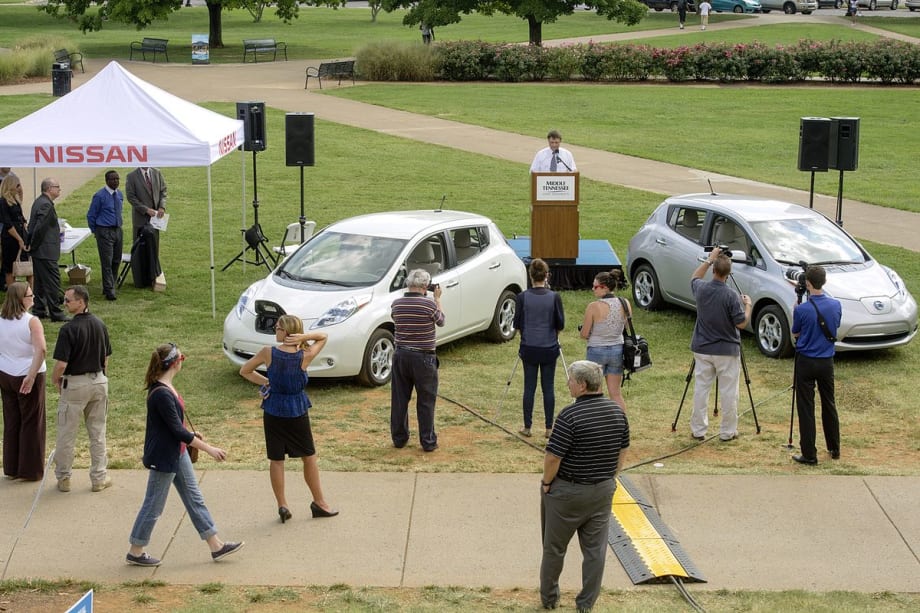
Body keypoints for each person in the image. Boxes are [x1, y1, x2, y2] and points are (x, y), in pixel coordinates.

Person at [126, 342, 244, 567]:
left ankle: (216, 545)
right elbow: (176, 430)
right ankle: (136, 550)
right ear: (174, 363)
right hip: (164, 457)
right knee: (154, 504)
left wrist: (191, 435)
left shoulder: (167, 388)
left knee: (194, 498)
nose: (183, 362)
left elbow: (173, 428)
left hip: (177, 453)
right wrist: (209, 449)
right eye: (182, 358)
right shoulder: (161, 394)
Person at [540, 360, 629, 612]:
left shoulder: (569, 415)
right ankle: (586, 603)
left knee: (554, 548)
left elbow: (553, 457)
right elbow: (624, 448)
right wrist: (612, 475)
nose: (567, 384)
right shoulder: (616, 412)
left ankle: (549, 598)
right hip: (602, 491)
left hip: (567, 493)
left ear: (581, 385)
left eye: (570, 380)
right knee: (595, 551)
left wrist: (547, 483)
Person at [239, 314, 338, 523]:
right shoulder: (305, 355)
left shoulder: (268, 353)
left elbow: (245, 370)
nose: (275, 331)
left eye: (278, 328)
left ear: (288, 333)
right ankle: (319, 502)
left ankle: (282, 505)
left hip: (273, 410)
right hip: (296, 410)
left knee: (276, 460)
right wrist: (306, 336)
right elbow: (323, 337)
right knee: (308, 457)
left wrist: (267, 382)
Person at [51, 285, 112, 493]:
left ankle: (64, 478)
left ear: (81, 302)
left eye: (68, 300)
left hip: (75, 384)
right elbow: (106, 359)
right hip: (99, 381)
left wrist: (55, 380)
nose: (65, 303)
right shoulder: (100, 324)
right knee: (97, 432)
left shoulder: (68, 329)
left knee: (67, 433)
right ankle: (99, 478)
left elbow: (61, 364)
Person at [689, 249, 752, 442]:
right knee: (729, 392)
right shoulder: (731, 295)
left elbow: (695, 277)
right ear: (728, 274)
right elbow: (741, 323)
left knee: (701, 389)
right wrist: (748, 305)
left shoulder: (702, 289)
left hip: (703, 348)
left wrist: (710, 259)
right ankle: (727, 431)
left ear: (714, 270)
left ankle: (698, 430)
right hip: (726, 350)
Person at [791, 265, 842, 465]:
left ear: (808, 283)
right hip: (826, 361)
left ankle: (809, 453)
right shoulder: (836, 305)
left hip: (806, 361)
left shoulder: (802, 309)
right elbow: (835, 326)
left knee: (806, 407)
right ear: (824, 281)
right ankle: (834, 447)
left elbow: (796, 333)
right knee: (829, 404)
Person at [390, 268, 444, 452]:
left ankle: (399, 438)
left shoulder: (396, 304)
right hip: (424, 358)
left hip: (400, 355)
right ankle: (428, 441)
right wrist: (437, 299)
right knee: (426, 401)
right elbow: (441, 320)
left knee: (399, 399)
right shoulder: (429, 305)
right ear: (425, 286)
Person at [513, 258, 564, 438]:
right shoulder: (554, 297)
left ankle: (527, 427)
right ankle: (549, 428)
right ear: (546, 275)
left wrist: (526, 337)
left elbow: (517, 324)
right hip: (549, 347)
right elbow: (560, 324)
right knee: (548, 387)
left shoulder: (522, 297)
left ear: (531, 276)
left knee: (529, 387)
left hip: (529, 347)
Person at [0, 282, 46, 481]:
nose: (33, 298)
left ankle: (11, 467)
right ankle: (29, 470)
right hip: (26, 374)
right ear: (21, 299)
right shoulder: (31, 321)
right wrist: (32, 374)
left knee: (11, 420)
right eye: (30, 295)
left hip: (6, 373)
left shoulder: (1, 320)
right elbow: (41, 350)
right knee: (31, 422)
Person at [580, 269, 631, 412]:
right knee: (615, 393)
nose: (593, 289)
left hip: (596, 350)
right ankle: (622, 424)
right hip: (617, 350)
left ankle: (597, 426)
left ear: (604, 287)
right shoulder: (625, 303)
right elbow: (626, 326)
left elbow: (584, 334)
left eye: (595, 286)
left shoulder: (594, 306)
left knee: (594, 394)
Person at [26, 178, 67, 322]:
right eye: (57, 187)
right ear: (49, 188)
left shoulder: (40, 201)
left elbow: (33, 225)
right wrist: (34, 244)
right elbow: (39, 227)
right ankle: (56, 312)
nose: (59, 190)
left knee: (41, 282)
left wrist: (31, 244)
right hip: (45, 250)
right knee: (52, 281)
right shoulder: (45, 204)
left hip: (40, 251)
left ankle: (39, 309)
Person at [125, 167, 166, 289]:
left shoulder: (157, 173)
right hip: (141, 218)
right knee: (139, 249)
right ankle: (140, 279)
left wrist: (162, 207)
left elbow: (163, 191)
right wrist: (145, 210)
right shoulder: (131, 176)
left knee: (154, 246)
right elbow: (131, 197)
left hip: (155, 219)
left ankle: (153, 275)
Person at [86, 170, 124, 301]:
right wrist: (95, 231)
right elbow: (91, 215)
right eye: (113, 179)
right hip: (104, 231)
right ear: (107, 181)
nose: (116, 182)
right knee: (107, 261)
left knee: (116, 259)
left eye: (117, 179)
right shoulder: (99, 196)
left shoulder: (119, 194)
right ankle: (109, 290)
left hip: (117, 230)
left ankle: (110, 284)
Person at [1, 173, 33, 290]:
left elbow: (21, 217)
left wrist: (25, 228)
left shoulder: (16, 200)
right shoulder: (3, 202)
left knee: (28, 266)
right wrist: (19, 239)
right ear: (11, 186)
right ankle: (12, 295)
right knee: (10, 268)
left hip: (21, 233)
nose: (20, 188)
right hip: (10, 238)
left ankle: (30, 294)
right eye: (17, 185)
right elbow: (8, 223)